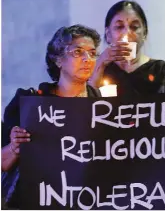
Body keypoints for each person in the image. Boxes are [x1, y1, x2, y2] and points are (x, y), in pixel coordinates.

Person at [1, 24, 101, 209]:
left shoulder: (104, 106)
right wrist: (15, 147)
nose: (88, 59)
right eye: (78, 52)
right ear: (58, 59)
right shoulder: (30, 102)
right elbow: (3, 164)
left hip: (88, 200)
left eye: (93, 53)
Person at [89, 0, 165, 96]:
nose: (127, 33)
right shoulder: (99, 68)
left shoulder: (158, 69)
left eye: (134, 27)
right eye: (119, 27)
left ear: (144, 33)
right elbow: (84, 106)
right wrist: (100, 64)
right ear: (108, 34)